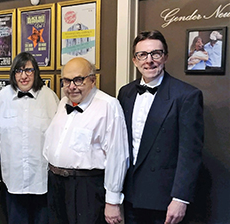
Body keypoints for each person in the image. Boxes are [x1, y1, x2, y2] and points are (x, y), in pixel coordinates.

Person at [117, 30, 204, 224]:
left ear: (165, 57)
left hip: (164, 199)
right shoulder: (125, 93)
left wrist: (180, 198)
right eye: (142, 55)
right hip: (129, 195)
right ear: (134, 60)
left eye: (155, 53)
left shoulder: (186, 95)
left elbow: (190, 153)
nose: (149, 60)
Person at [43, 57, 129, 224]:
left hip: (86, 187)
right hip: (57, 184)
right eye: (67, 81)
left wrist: (112, 200)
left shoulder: (108, 105)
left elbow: (117, 156)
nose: (72, 86)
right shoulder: (63, 103)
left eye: (78, 80)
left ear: (92, 80)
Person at [0, 52, 59, 224]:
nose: (24, 76)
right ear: (13, 74)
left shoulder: (49, 96)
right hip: (13, 177)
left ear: (35, 72)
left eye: (28, 70)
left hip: (41, 177)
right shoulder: (3, 97)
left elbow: (58, 135)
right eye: (19, 70)